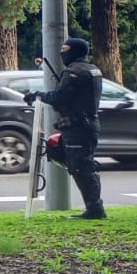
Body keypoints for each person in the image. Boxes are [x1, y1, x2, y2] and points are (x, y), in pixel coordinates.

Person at [26, 36, 105, 219]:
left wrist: (38, 95)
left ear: (75, 51)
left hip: (79, 126)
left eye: (66, 49)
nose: (62, 53)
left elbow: (59, 97)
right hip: (86, 124)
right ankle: (94, 206)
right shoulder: (93, 69)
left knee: (81, 166)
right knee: (66, 156)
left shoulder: (73, 72)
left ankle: (95, 208)